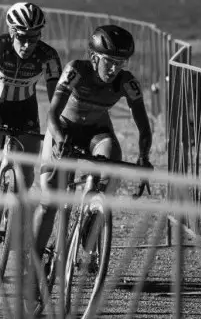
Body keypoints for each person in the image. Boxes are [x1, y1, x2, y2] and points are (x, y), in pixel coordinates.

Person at [32, 24, 154, 298]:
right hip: (63, 128)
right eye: (110, 62)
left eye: (120, 63)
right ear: (95, 57)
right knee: (50, 201)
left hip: (97, 133)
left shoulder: (127, 82)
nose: (114, 69)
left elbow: (144, 127)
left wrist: (144, 158)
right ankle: (35, 263)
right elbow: (52, 112)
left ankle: (92, 218)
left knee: (112, 161)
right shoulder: (76, 69)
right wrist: (61, 140)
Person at [0, 2, 63, 237]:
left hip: (25, 109)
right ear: (12, 32)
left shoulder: (48, 55)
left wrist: (58, 130)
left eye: (34, 37)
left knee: (28, 169)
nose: (29, 44)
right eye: (22, 37)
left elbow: (55, 100)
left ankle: (14, 215)